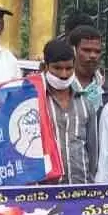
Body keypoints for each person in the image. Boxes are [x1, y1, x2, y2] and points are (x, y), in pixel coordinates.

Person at [41, 38, 97, 184]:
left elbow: (93, 152)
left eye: (69, 68)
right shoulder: (35, 102)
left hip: (80, 188)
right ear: (45, 67)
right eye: (57, 68)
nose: (64, 74)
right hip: (45, 190)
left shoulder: (85, 104)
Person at [69, 25, 108, 114]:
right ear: (73, 50)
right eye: (86, 50)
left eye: (97, 51)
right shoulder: (59, 86)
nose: (93, 56)